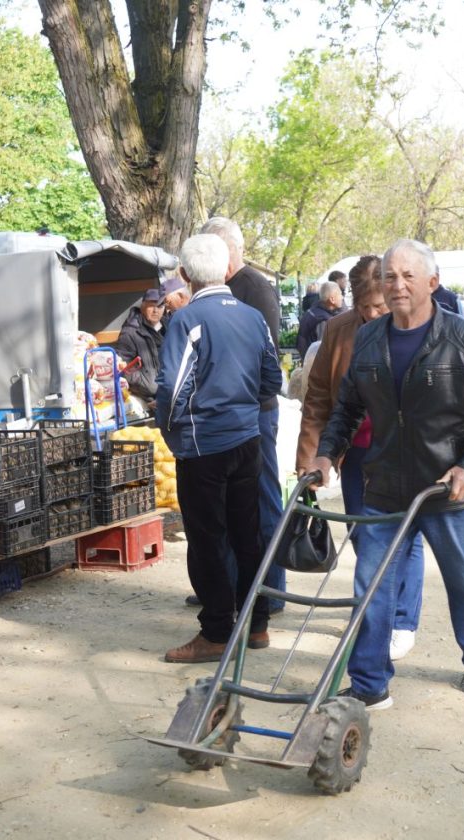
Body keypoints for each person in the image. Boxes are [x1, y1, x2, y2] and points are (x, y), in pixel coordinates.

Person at [309, 238, 464, 709]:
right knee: (372, 585)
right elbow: (347, 409)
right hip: (384, 486)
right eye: (389, 277)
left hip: (445, 488)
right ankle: (369, 683)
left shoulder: (462, 339)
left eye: (407, 277)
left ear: (432, 283)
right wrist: (327, 453)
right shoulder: (370, 338)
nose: (396, 286)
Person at [157, 234, 282, 663]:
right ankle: (257, 623)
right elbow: (272, 380)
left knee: (208, 539)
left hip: (203, 444)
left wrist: (169, 429)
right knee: (248, 533)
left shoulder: (187, 319)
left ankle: (214, 633)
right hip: (247, 439)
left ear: (186, 275)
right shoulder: (252, 317)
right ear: (227, 266)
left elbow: (172, 389)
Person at [296, 255, 426, 662]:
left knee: (405, 538)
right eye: (363, 306)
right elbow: (318, 396)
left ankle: (401, 621)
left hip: (405, 452)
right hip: (356, 450)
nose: (371, 314)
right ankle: (375, 608)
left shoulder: (414, 325)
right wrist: (313, 455)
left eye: (379, 306)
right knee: (364, 535)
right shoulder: (338, 329)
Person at [199, 217, 287, 613]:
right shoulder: (218, 288)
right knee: (231, 505)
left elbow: (263, 360)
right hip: (229, 417)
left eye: (216, 250)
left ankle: (271, 591)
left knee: (265, 500)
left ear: (233, 249)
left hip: (255, 414)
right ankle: (233, 586)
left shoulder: (255, 288)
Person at [114, 288, 165, 409]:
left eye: (159, 306)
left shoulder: (168, 326)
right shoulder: (130, 332)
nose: (155, 310)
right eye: (151, 306)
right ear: (142, 308)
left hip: (167, 392)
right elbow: (122, 367)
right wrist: (147, 385)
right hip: (148, 395)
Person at [296, 280, 342, 357]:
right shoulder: (322, 320)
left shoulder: (313, 311)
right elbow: (323, 351)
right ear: (332, 299)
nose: (342, 297)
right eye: (340, 294)